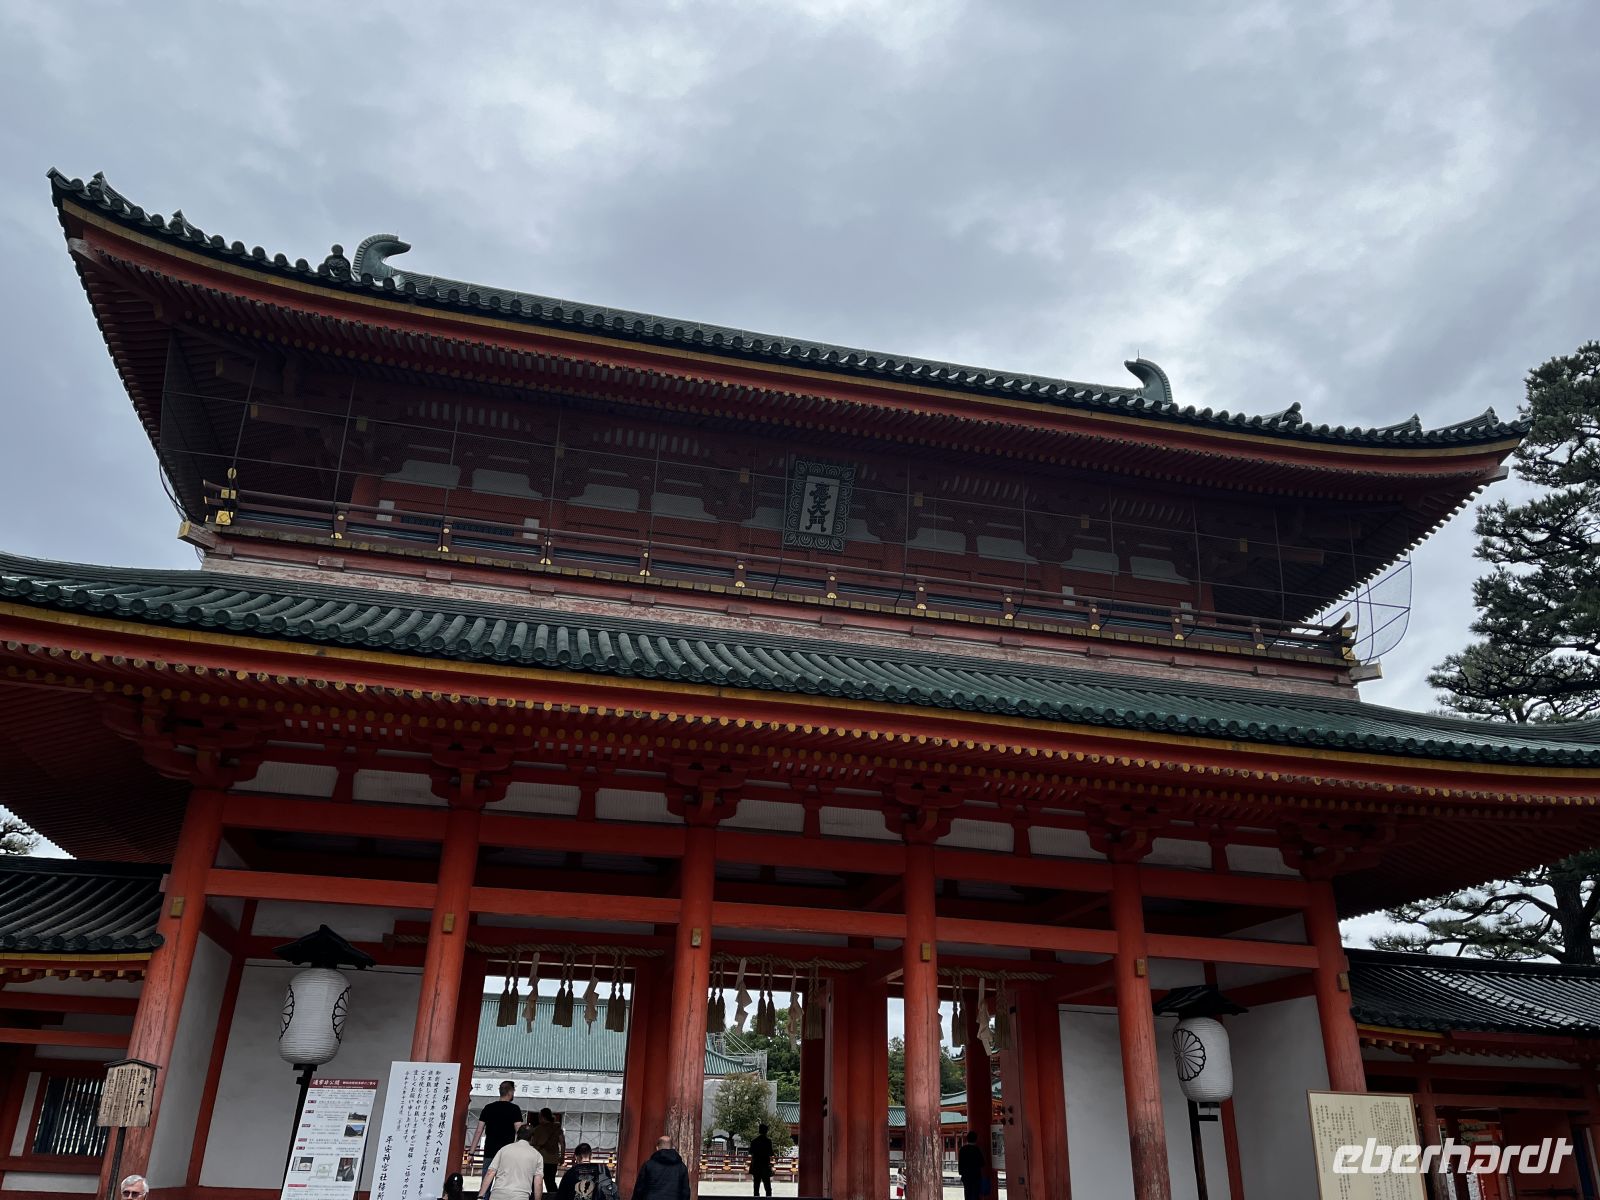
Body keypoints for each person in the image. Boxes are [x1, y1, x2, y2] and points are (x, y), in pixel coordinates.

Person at [471, 1081, 526, 1175]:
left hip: (489, 1151)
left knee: (487, 1179)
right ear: (510, 1092)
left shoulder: (488, 1108)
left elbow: (479, 1131)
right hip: (507, 1152)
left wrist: (471, 1152)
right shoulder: (515, 1109)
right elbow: (520, 1131)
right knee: (503, 1181)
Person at [483, 1124, 544, 1200]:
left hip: (497, 1195)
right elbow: (538, 1182)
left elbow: (490, 1172)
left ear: (517, 1135)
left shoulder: (504, 1150)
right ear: (532, 1138)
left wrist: (480, 1196)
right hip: (520, 1196)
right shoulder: (537, 1155)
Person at [631, 1135, 689, 1200]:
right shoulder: (682, 1167)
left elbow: (639, 1190)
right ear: (672, 1147)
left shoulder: (648, 1165)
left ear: (657, 1148)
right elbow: (685, 1193)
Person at [530, 1107, 567, 1195]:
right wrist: (562, 1157)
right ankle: (555, 1197)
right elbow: (562, 1143)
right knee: (550, 1183)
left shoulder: (537, 1129)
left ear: (542, 1117)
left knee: (535, 1182)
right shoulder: (557, 1128)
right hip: (552, 1160)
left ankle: (534, 1197)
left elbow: (532, 1144)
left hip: (539, 1159)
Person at [957, 1130, 987, 1200]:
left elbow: (960, 1163)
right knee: (976, 1194)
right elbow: (982, 1163)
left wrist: (961, 1173)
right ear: (976, 1139)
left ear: (967, 1139)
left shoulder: (962, 1149)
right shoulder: (976, 1149)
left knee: (967, 1193)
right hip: (976, 1176)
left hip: (966, 1176)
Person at [748, 1123, 774, 1198]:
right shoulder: (768, 1141)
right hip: (765, 1165)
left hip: (756, 1165)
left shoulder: (754, 1141)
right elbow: (771, 1153)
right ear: (766, 1131)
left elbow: (751, 1152)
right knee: (768, 1187)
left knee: (756, 1186)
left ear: (759, 1130)